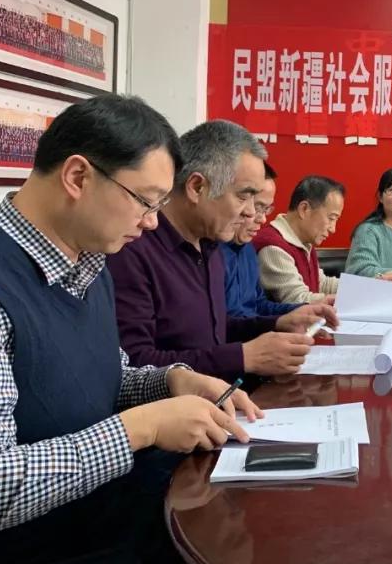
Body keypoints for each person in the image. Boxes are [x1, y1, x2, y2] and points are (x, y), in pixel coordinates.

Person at [0, 95, 262, 564]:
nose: (151, 222)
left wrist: (170, 381)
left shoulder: (89, 261)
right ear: (78, 177)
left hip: (108, 525)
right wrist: (141, 428)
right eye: (145, 201)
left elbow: (101, 375)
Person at [109, 121, 335, 380]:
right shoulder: (131, 250)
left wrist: (278, 323)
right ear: (197, 187)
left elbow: (214, 331)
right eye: (243, 196)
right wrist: (244, 357)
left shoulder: (211, 247)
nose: (251, 212)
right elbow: (135, 365)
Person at [221, 162, 300, 318]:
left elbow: (258, 304)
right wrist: (275, 324)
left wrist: (303, 310)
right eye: (258, 207)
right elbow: (227, 322)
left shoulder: (247, 248)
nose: (263, 219)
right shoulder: (210, 252)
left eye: (266, 209)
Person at [254, 175, 344, 304]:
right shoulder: (273, 248)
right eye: (331, 218)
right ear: (304, 209)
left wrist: (365, 287)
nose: (333, 229)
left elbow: (322, 284)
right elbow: (298, 299)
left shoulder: (303, 242)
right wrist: (346, 299)